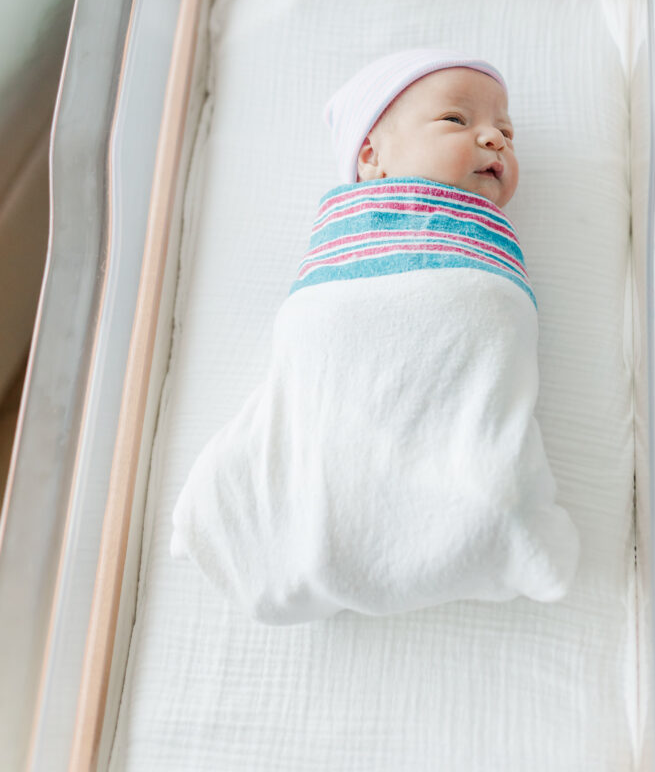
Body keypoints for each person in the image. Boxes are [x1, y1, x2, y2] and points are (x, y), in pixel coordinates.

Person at [171, 48, 580, 625]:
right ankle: (272, 520)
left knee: (489, 472)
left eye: (506, 132)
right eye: (457, 121)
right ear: (371, 156)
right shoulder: (347, 230)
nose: (495, 139)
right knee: (309, 432)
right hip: (342, 318)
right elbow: (318, 340)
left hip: (469, 314)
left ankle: (492, 520)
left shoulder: (485, 234)